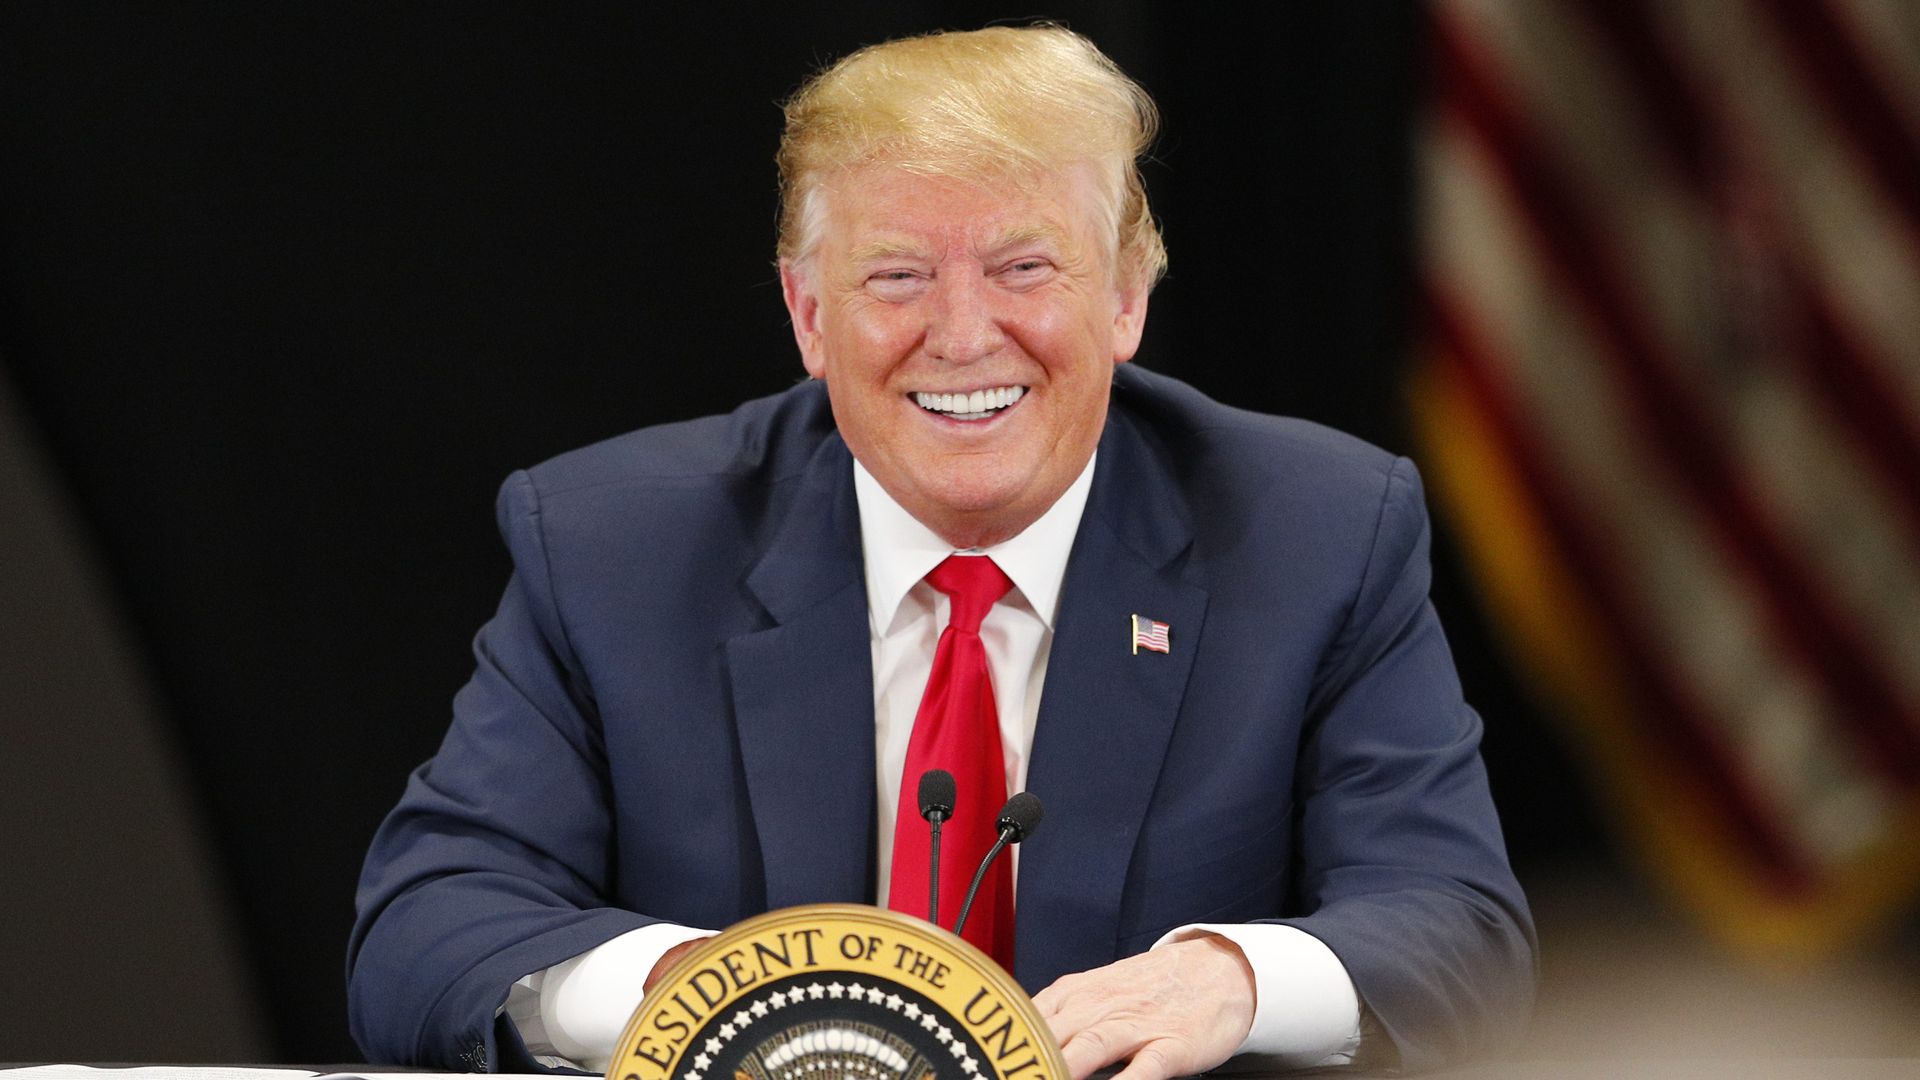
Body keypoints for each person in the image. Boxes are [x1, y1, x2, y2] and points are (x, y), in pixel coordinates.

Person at [347, 24, 1535, 1077]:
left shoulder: (1314, 532)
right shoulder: (616, 545)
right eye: (897, 278)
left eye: (1024, 268)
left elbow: (1458, 925)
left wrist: (1232, 976)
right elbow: (424, 926)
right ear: (810, 315)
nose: (964, 336)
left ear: (1126, 296)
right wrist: (697, 997)